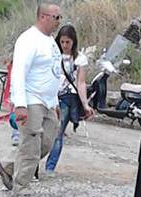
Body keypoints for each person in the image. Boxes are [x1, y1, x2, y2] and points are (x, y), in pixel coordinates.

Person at [0, 1, 62, 197]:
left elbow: (52, 73)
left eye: (60, 17)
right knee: (31, 145)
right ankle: (21, 188)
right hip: (31, 100)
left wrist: (55, 101)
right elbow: (19, 72)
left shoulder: (50, 41)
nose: (59, 22)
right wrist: (20, 104)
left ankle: (8, 165)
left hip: (48, 101)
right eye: (55, 17)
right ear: (43, 17)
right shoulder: (28, 40)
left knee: (46, 142)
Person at [45, 25, 94, 175]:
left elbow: (80, 82)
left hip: (67, 97)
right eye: (62, 42)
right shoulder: (52, 55)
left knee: (58, 132)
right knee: (43, 130)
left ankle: (50, 167)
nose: (65, 45)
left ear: (74, 42)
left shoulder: (79, 59)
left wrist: (85, 104)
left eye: (68, 42)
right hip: (50, 95)